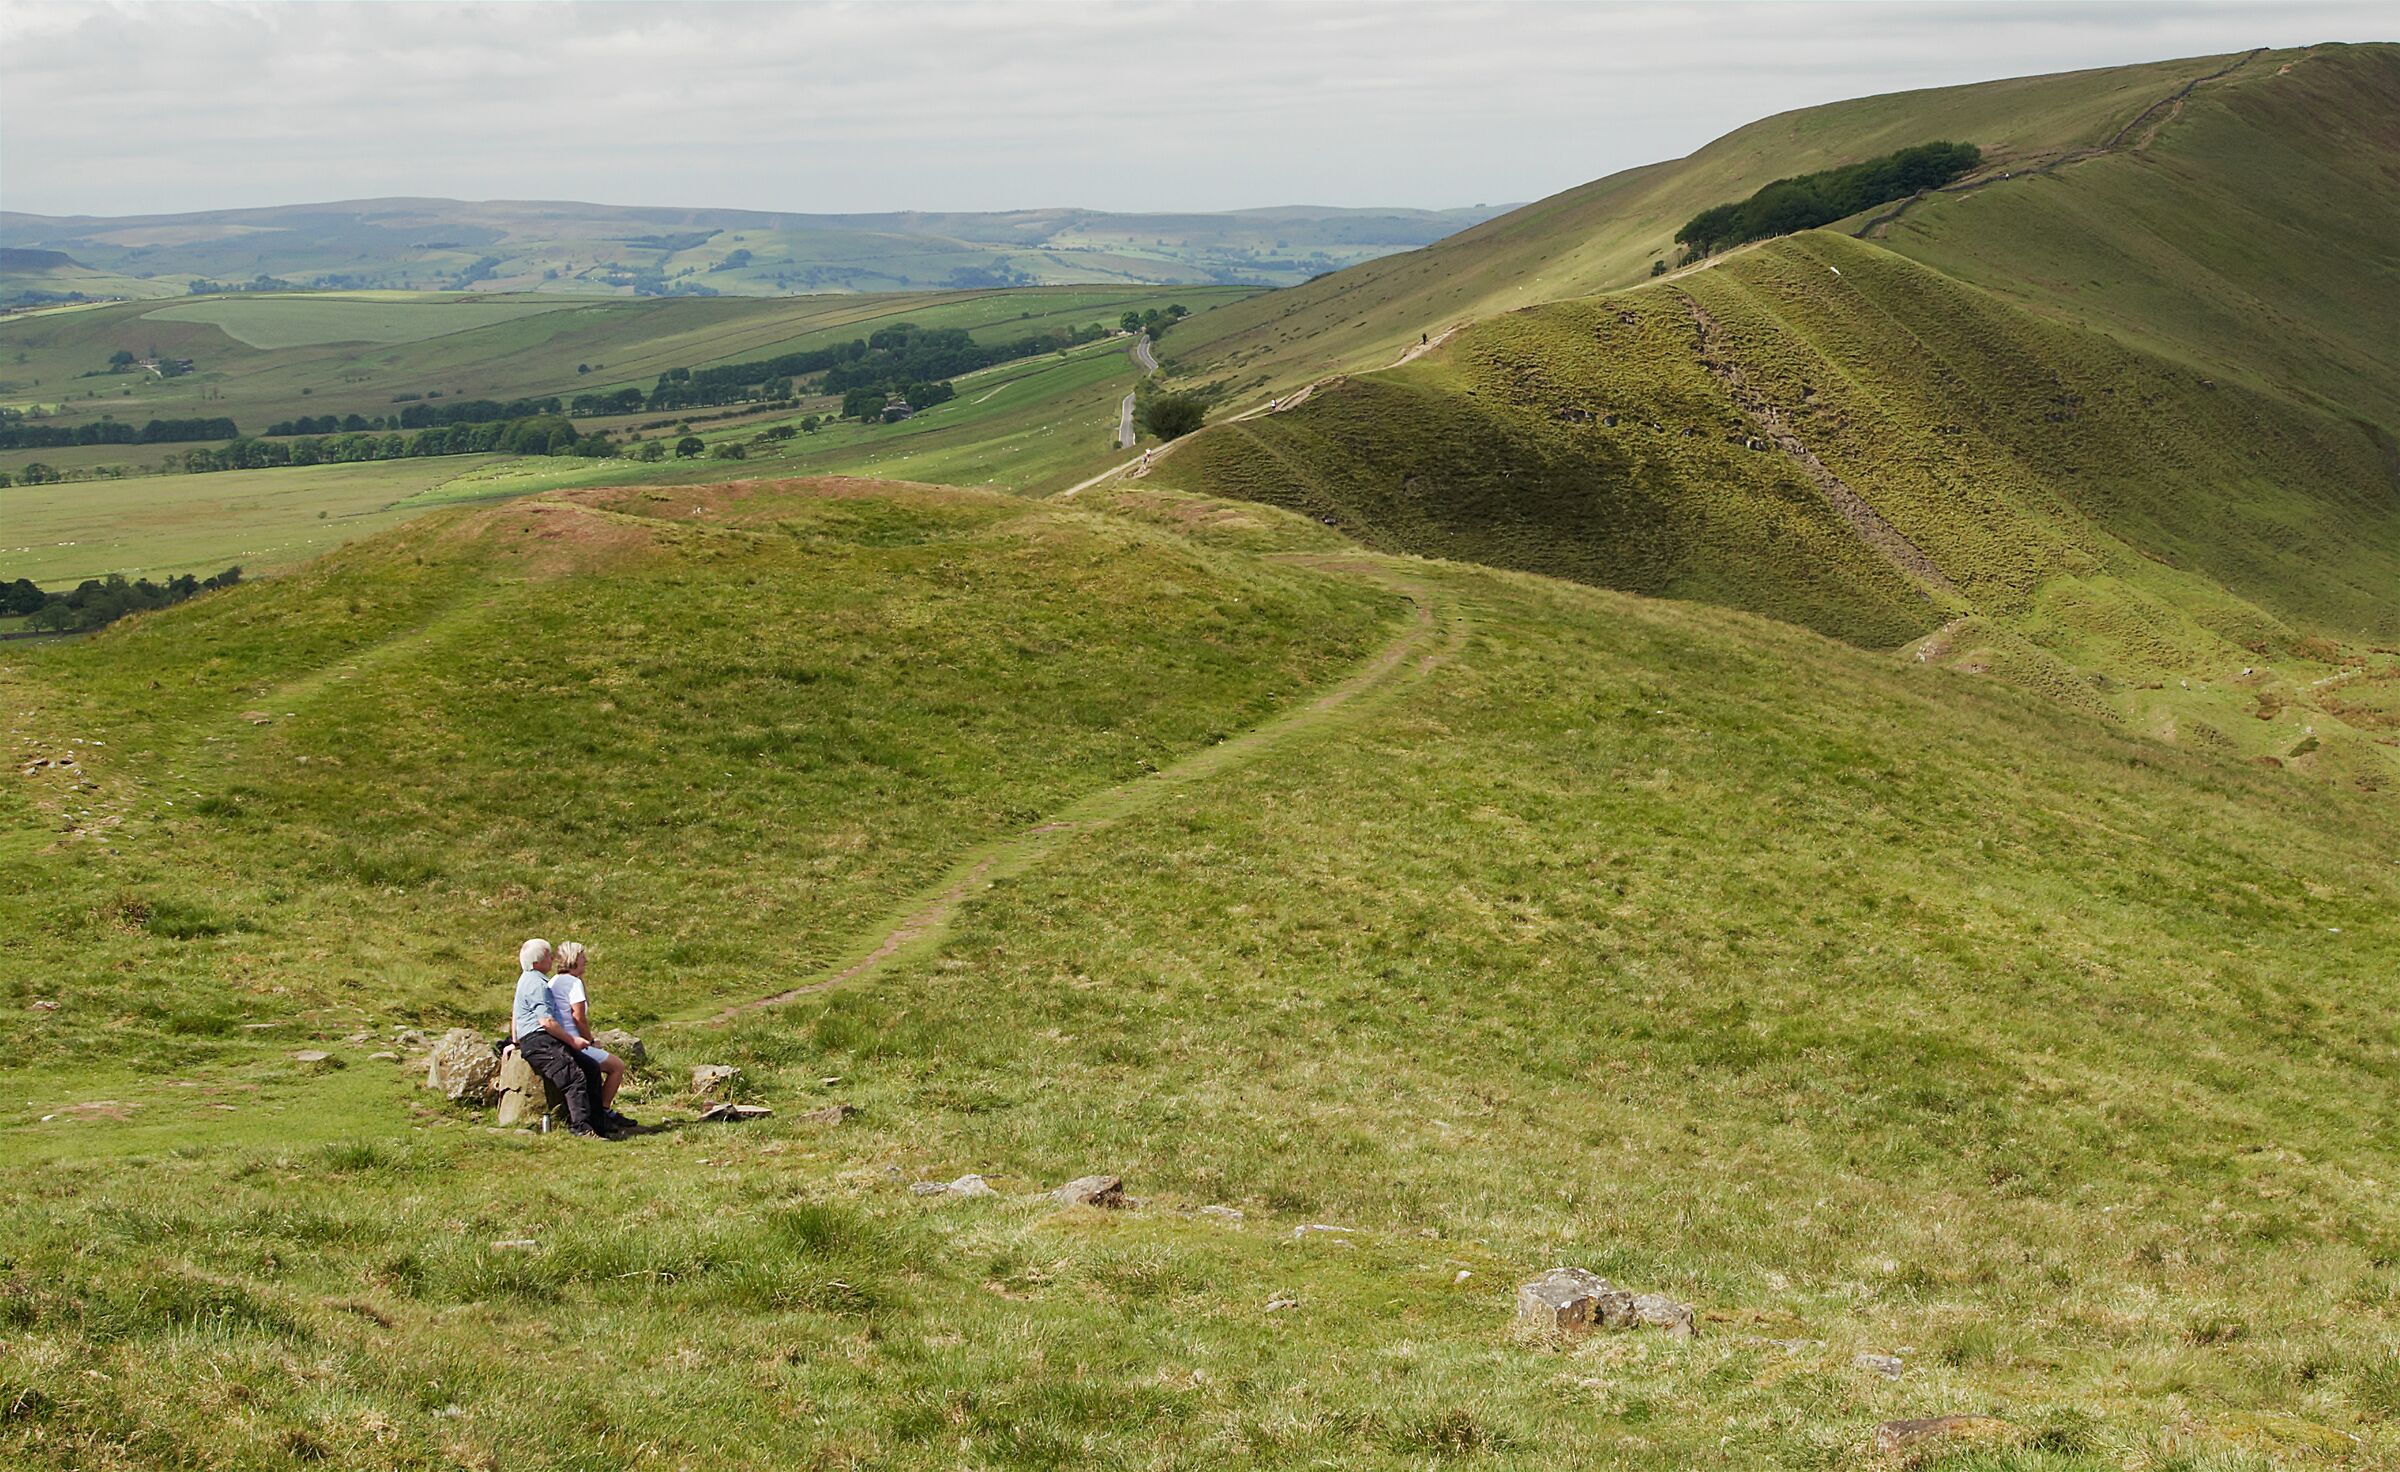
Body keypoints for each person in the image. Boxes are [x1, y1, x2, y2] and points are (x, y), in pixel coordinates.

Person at [509, 938, 607, 1139]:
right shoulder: (537, 984)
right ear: (537, 962)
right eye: (548, 956)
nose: (552, 959)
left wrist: (515, 1041)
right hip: (539, 1040)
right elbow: (546, 1022)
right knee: (574, 1076)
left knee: (591, 1067)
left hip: (540, 1038)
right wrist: (573, 1041)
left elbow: (515, 1014)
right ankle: (580, 1127)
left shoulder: (529, 980)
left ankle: (599, 1121)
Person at [550, 941, 634, 1130]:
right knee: (617, 1066)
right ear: (573, 959)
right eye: (582, 957)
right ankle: (604, 1110)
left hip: (560, 1040)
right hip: (574, 1040)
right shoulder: (573, 983)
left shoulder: (553, 981)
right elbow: (579, 1017)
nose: (585, 960)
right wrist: (590, 1040)